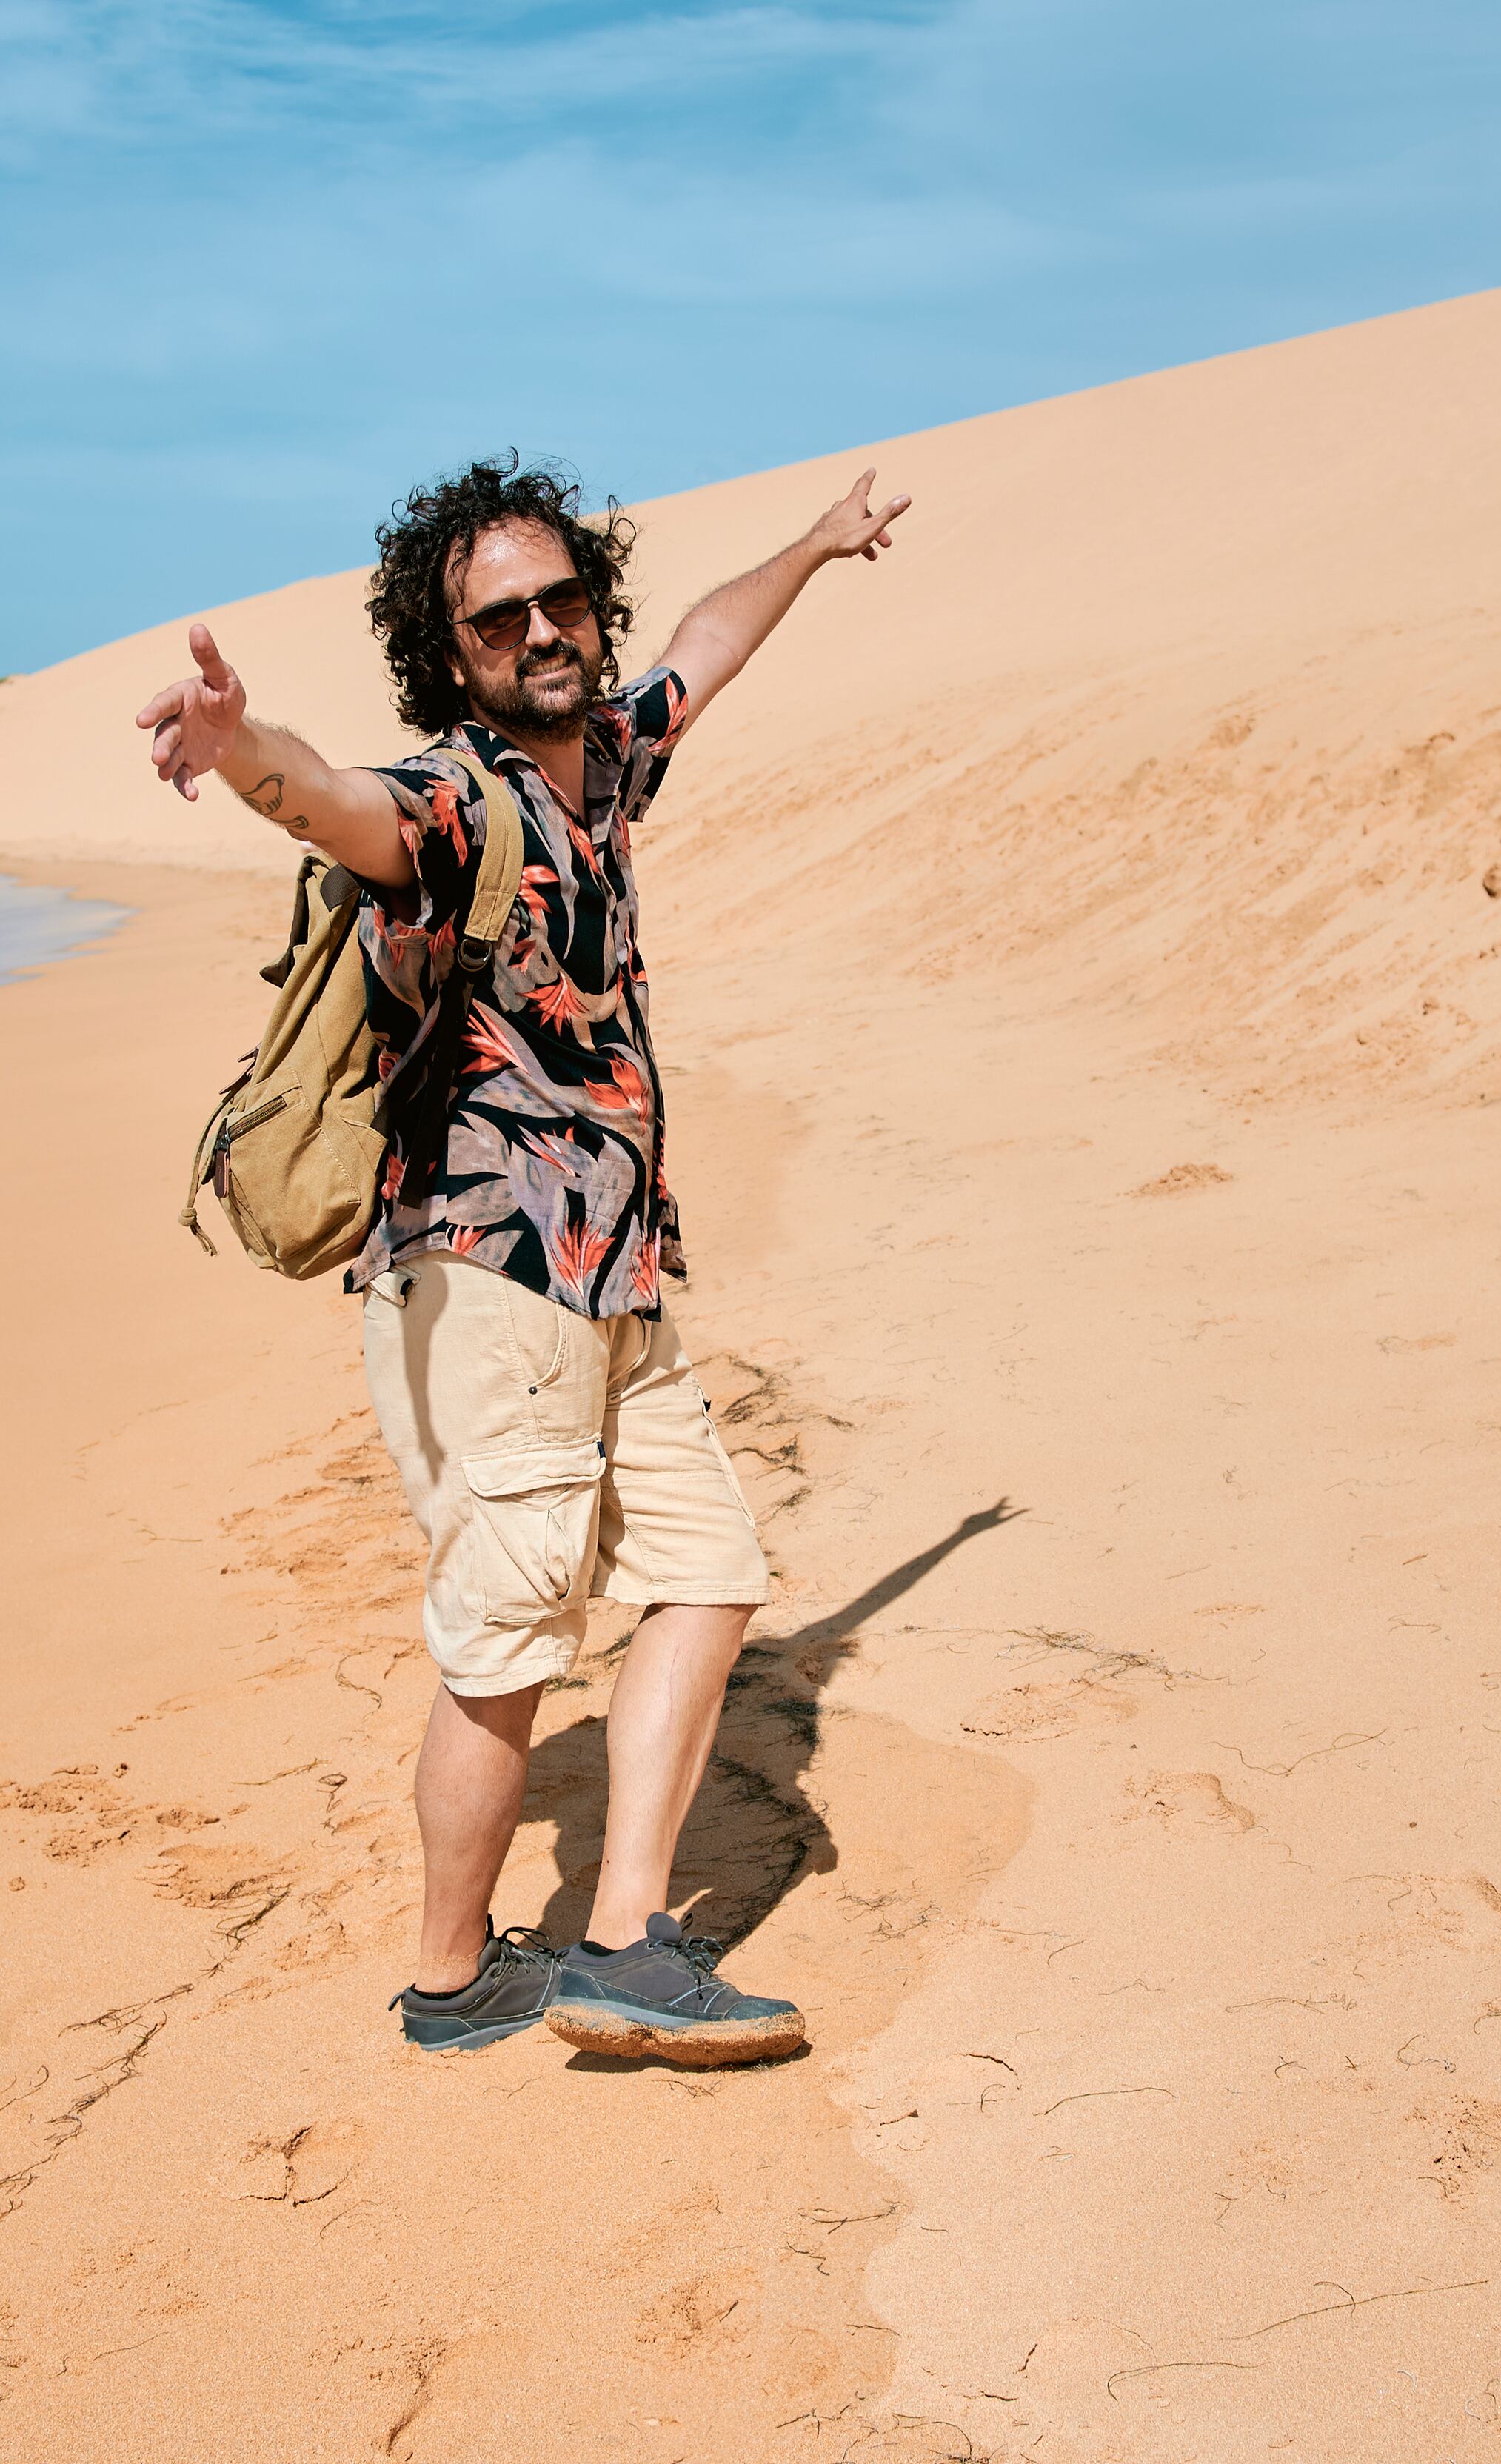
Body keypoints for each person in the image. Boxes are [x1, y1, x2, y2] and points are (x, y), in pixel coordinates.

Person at [133, 453, 909, 2066]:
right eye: (501, 618)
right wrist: (239, 748)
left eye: (563, 597)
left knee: (707, 1575)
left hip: (619, 1271)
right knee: (507, 1642)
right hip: (491, 1279)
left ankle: (626, 1929)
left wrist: (819, 546)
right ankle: (447, 1974)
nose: (542, 628)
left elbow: (708, 635)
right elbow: (336, 798)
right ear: (454, 653)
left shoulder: (609, 755)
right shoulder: (454, 798)